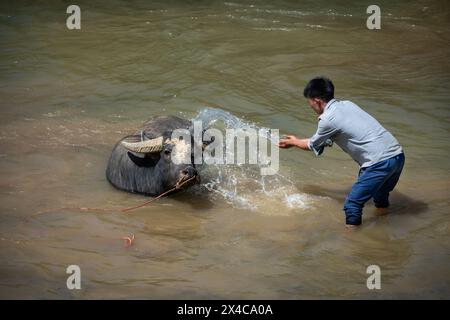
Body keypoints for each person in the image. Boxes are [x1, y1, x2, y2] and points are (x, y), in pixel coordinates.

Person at [278, 77, 404, 229]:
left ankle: (353, 242)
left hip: (378, 163)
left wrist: (293, 142)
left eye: (309, 101)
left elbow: (312, 145)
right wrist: (300, 140)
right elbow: (344, 131)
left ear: (316, 100)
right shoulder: (348, 104)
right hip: (397, 155)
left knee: (352, 204)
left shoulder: (327, 119)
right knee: (380, 195)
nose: (310, 105)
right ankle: (385, 223)